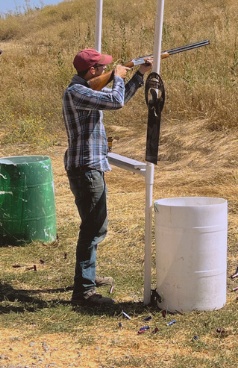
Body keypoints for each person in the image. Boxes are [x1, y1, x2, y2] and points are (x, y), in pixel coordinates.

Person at [62, 49, 151, 306]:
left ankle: (86, 279)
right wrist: (120, 76)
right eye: (102, 68)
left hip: (87, 167)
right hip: (86, 168)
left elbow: (115, 100)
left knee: (92, 227)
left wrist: (138, 76)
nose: (105, 71)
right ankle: (84, 292)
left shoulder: (84, 90)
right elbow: (116, 101)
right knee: (93, 229)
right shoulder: (76, 92)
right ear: (92, 71)